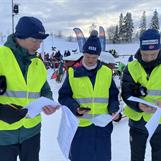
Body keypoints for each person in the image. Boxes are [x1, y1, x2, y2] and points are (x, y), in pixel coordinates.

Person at [0, 16, 60, 161]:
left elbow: (44, 89)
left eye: (40, 41)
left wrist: (48, 102)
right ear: (20, 36)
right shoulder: (1, 56)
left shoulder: (38, 63)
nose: (38, 45)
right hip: (4, 134)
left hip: (31, 132)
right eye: (35, 41)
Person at [58, 30, 121, 161]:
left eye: (94, 57)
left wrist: (114, 109)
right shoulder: (73, 73)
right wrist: (75, 108)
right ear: (83, 54)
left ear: (99, 56)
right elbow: (63, 97)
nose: (91, 60)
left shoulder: (106, 73)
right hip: (80, 129)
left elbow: (113, 96)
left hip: (102, 128)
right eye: (87, 56)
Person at [121, 29, 161, 161]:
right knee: (136, 157)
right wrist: (138, 105)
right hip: (137, 122)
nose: (148, 58)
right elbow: (126, 93)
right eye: (145, 54)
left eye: (153, 54)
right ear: (140, 49)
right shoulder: (131, 67)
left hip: (159, 123)